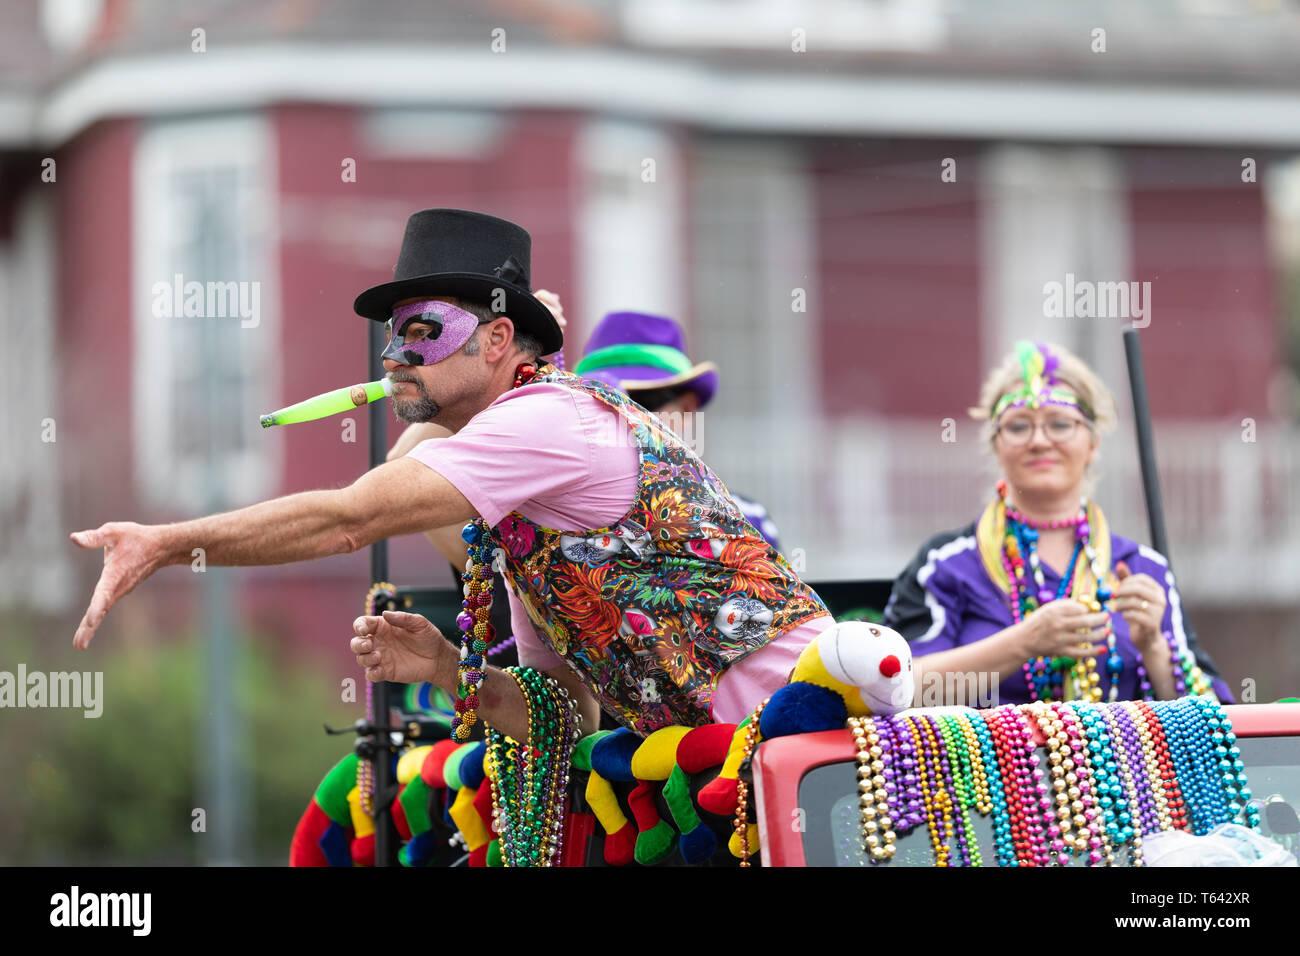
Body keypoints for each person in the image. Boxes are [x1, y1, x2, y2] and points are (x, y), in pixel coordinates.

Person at [69, 208, 834, 743]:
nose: (394, 355)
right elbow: (570, 718)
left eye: (423, 330)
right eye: (391, 335)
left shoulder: (545, 421)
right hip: (726, 777)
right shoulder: (515, 513)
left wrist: (166, 543)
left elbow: (350, 518)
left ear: (498, 338)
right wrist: (444, 669)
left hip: (815, 744)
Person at [882, 340, 1231, 707]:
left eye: (1061, 424)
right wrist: (1025, 641)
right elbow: (897, 688)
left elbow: (1220, 721)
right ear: (996, 444)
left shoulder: (1145, 568)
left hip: (1117, 765)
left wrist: (1155, 648)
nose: (1039, 441)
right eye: (1018, 427)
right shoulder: (949, 563)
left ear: (1093, 443)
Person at [572, 310, 784, 552]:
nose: (625, 413)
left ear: (686, 407)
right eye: (603, 401)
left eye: (643, 400)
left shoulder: (745, 522)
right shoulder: (546, 520)